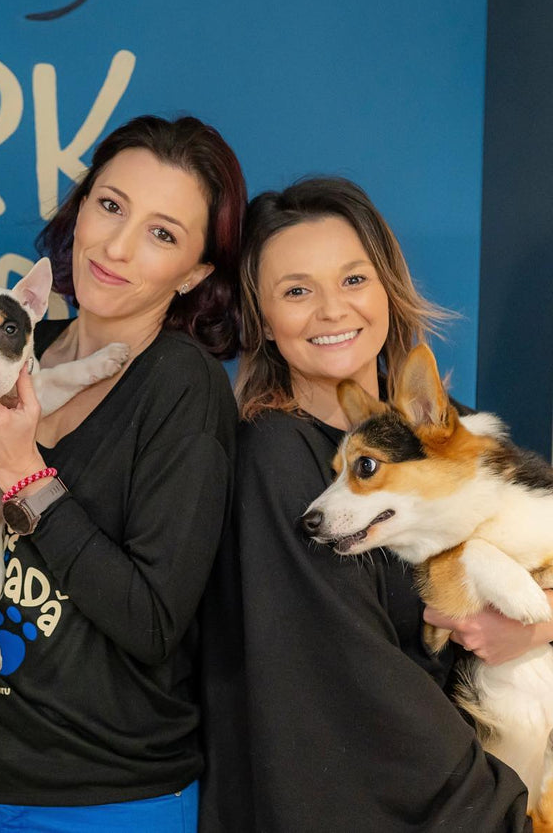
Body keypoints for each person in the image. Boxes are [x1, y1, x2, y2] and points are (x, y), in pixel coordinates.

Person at [0, 115, 245, 831]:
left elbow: (152, 621)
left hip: (107, 798)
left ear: (196, 272)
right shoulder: (6, 343)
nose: (118, 245)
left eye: (163, 234)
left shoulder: (181, 386)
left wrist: (23, 472)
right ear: (81, 208)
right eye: (111, 205)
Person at [199, 176, 537, 832]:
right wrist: (499, 815)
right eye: (297, 291)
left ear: (388, 288)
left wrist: (538, 625)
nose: (333, 310)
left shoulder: (449, 430)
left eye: (353, 279)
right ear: (262, 319)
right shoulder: (278, 457)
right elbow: (354, 686)